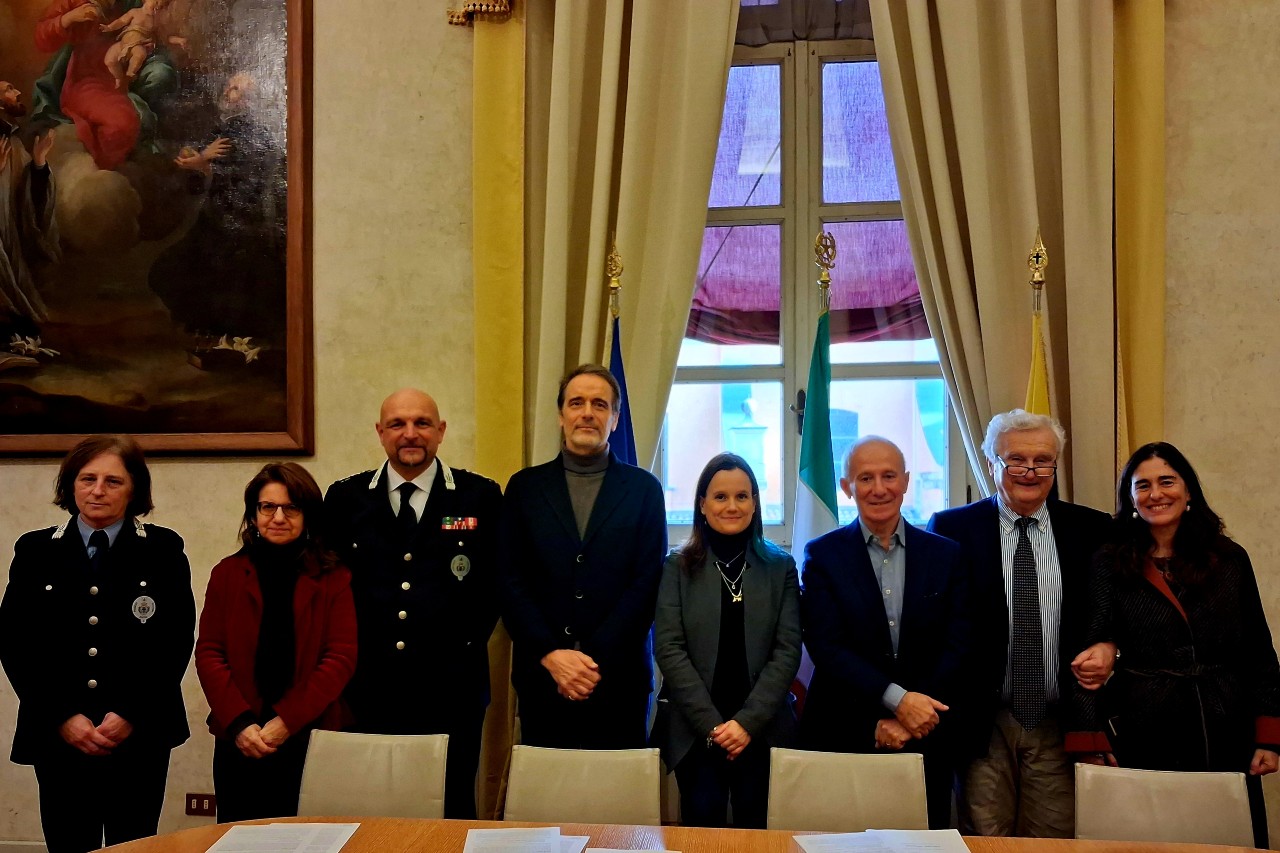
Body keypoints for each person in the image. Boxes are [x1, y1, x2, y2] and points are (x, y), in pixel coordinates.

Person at [1072, 442, 1280, 847]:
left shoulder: (1229, 559)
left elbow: (1258, 650)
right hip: (1142, 724)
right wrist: (1089, 738)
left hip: (1223, 722)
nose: (1156, 494)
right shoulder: (1110, 561)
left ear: (1188, 492)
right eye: (1143, 485)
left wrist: (1268, 736)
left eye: (1167, 481)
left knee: (1224, 838)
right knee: (1148, 839)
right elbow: (1088, 655)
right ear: (1131, 498)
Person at [0, 434, 195, 853]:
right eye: (87, 479)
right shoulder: (35, 551)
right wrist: (63, 715)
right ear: (71, 485)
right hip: (59, 736)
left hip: (139, 735)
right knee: (68, 844)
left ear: (134, 489)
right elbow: (16, 644)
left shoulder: (162, 549)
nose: (98, 490)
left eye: (113, 481)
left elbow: (174, 643)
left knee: (135, 846)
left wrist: (129, 713)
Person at [927, 410, 1113, 837]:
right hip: (981, 722)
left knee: (1055, 838)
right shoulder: (952, 529)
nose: (1030, 471)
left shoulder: (1092, 529)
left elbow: (1115, 611)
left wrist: (1110, 647)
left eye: (1042, 460)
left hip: (1059, 719)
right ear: (991, 464)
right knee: (984, 837)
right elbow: (936, 626)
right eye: (1015, 460)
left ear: (1055, 466)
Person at [323, 388, 501, 819]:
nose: (410, 434)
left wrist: (456, 648)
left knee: (451, 810)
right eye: (397, 424)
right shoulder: (345, 499)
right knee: (370, 811)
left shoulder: (478, 496)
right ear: (380, 432)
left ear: (440, 431)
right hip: (368, 688)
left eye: (422, 423)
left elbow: (494, 586)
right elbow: (329, 592)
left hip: (452, 689)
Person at [800, 437, 968, 828]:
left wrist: (913, 713)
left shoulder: (946, 554)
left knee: (924, 844)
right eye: (865, 478)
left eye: (889, 476)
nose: (879, 488)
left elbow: (959, 643)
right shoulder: (823, 555)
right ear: (847, 487)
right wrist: (898, 701)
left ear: (906, 481)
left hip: (926, 733)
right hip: (845, 731)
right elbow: (827, 647)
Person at [500, 364, 667, 749]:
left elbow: (646, 584)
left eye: (599, 404)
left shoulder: (644, 490)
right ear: (561, 415)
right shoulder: (524, 489)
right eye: (576, 403)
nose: (587, 413)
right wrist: (552, 656)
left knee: (618, 789)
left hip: (618, 681)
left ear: (615, 418)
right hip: (544, 678)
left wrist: (588, 662)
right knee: (545, 786)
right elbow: (510, 581)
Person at [195, 462, 357, 823]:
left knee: (308, 840)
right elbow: (209, 653)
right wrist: (240, 724)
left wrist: (286, 722)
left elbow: (340, 657)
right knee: (239, 840)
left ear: (307, 515)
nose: (279, 517)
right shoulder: (227, 574)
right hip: (240, 738)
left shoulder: (333, 577)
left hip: (310, 735)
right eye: (268, 507)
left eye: (291, 507)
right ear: (253, 515)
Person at [653, 453, 800, 828]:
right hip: (695, 730)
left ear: (755, 503)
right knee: (701, 835)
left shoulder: (780, 567)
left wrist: (746, 724)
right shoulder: (676, 566)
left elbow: (787, 651)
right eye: (720, 497)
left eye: (742, 496)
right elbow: (669, 648)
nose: (732, 506)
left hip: (762, 729)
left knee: (760, 838)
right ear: (702, 504)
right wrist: (714, 727)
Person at [33, 0, 178, 170]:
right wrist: (70, 17)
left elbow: (156, 30)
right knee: (123, 123)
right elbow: (42, 37)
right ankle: (106, 168)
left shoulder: (134, 3)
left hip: (129, 71)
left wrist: (148, 41)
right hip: (88, 80)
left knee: (160, 76)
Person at [0, 81, 59, 344]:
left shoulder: (12, 140)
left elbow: (25, 200)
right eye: (9, 90)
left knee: (23, 327)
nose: (18, 93)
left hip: (9, 239)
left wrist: (38, 164)